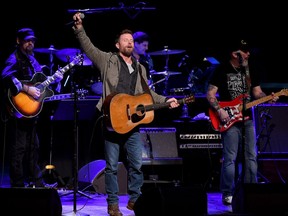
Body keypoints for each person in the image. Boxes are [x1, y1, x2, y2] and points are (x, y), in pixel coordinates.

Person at [72, 12, 180, 216]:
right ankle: (113, 204)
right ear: (117, 45)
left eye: (131, 40)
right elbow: (88, 47)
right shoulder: (107, 61)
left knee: (137, 164)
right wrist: (79, 28)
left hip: (132, 123)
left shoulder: (140, 68)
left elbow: (148, 94)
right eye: (125, 40)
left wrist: (166, 100)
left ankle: (135, 200)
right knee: (112, 166)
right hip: (112, 121)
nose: (130, 43)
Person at [206, 38, 278, 205]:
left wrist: (267, 98)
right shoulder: (221, 69)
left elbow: (257, 93)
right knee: (230, 157)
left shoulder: (252, 69)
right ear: (234, 53)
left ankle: (251, 190)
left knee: (251, 156)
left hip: (247, 119)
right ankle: (227, 193)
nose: (248, 54)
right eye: (244, 51)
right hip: (228, 118)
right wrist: (220, 110)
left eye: (247, 51)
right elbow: (210, 94)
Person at [0, 28, 63, 187]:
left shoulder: (32, 60)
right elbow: (6, 75)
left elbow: (41, 83)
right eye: (27, 40)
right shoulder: (14, 58)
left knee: (34, 147)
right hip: (18, 110)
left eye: (33, 40)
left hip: (31, 111)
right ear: (18, 41)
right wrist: (26, 89)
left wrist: (54, 79)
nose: (31, 43)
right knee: (18, 149)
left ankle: (37, 183)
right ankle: (18, 185)